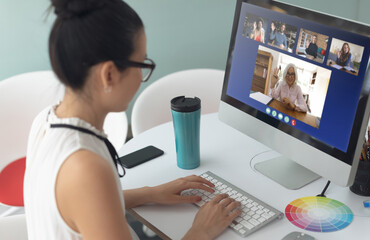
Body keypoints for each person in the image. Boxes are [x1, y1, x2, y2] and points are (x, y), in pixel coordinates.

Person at [23, 0, 241, 239]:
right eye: (142, 64)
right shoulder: (85, 167)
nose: (141, 77)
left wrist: (151, 193)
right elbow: (87, 190)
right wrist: (201, 231)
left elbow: (82, 204)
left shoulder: (45, 121)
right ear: (109, 74)